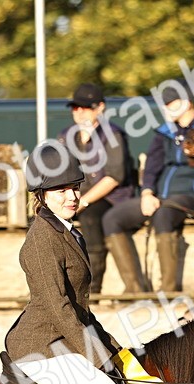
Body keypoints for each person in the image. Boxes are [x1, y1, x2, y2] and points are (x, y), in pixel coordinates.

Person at [4, 142, 127, 384]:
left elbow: (80, 307)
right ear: (41, 195)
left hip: (63, 338)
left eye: (75, 187)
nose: (72, 196)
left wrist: (115, 348)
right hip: (39, 346)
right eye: (61, 190)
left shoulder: (69, 232)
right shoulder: (41, 240)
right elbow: (59, 309)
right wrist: (97, 356)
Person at [102, 83, 194, 293]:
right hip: (160, 197)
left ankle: (168, 291)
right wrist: (147, 193)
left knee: (164, 214)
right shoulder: (165, 132)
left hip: (193, 194)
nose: (165, 108)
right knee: (112, 218)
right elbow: (152, 166)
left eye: (170, 103)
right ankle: (135, 291)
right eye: (164, 104)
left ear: (187, 103)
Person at [58, 83, 142, 294]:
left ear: (100, 108)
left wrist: (83, 202)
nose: (79, 112)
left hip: (111, 198)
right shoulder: (66, 136)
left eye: (85, 107)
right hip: (75, 196)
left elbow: (114, 178)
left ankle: (92, 290)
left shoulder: (113, 135)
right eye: (75, 107)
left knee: (91, 218)